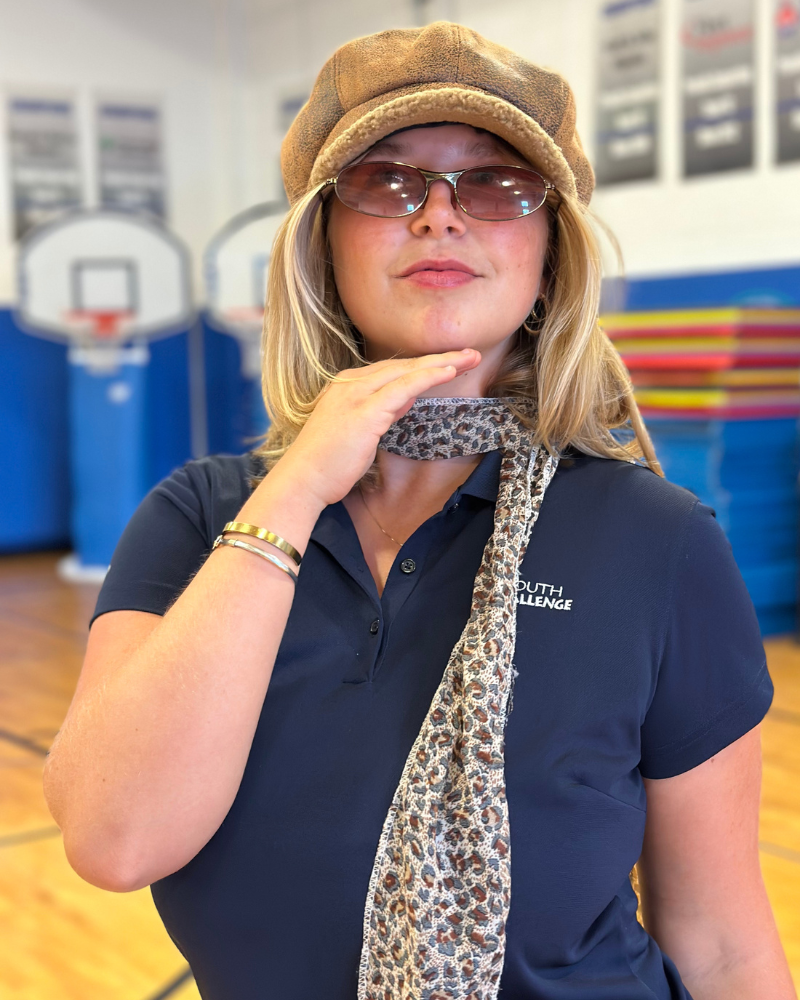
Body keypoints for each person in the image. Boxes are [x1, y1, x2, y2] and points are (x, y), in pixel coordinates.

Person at [43, 21, 795, 1000]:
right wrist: (299, 485)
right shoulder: (200, 518)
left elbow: (725, 944)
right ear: (321, 242)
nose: (439, 216)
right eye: (388, 182)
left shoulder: (655, 539)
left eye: (492, 184)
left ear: (545, 251)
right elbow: (115, 835)